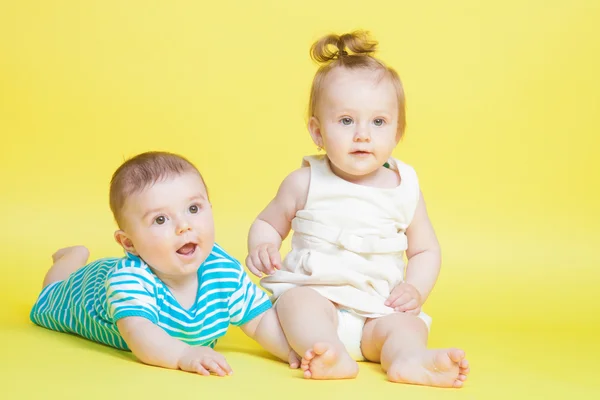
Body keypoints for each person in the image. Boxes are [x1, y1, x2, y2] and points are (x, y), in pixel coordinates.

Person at [246, 31, 470, 387]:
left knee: (406, 326)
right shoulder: (304, 181)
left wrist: (415, 289)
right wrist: (263, 245)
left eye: (378, 122)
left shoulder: (405, 186)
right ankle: (326, 351)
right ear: (317, 132)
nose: (362, 134)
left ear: (397, 133)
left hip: (378, 309)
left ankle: (408, 361)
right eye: (346, 121)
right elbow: (267, 223)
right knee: (297, 305)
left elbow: (425, 249)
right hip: (318, 294)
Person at [31, 151, 298, 376]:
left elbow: (260, 320)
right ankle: (70, 258)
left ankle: (76, 257)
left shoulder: (221, 269)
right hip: (84, 292)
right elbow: (141, 334)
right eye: (160, 220)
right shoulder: (128, 282)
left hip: (113, 276)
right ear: (129, 243)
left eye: (193, 209)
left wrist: (293, 351)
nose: (184, 226)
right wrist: (183, 355)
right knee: (54, 288)